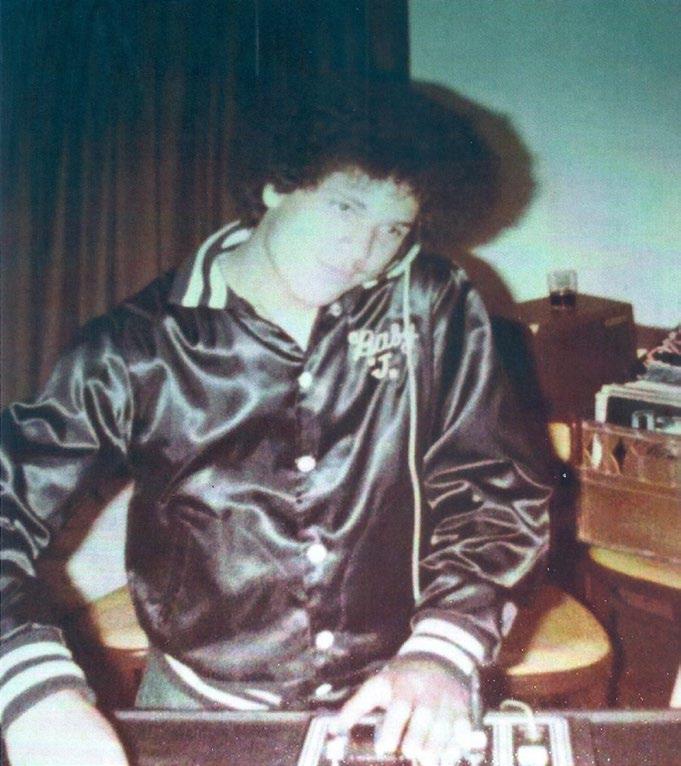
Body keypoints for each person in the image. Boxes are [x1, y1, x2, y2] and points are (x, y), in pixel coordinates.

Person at [0, 80, 551, 766]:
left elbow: (495, 491)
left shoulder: (431, 303)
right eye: (345, 206)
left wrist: (443, 651)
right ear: (274, 185)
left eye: (392, 228)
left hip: (405, 690)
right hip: (205, 708)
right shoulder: (135, 347)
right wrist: (31, 687)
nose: (362, 249)